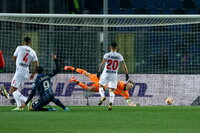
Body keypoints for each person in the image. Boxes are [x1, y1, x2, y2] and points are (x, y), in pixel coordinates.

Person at [65, 66, 137, 106]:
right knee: (87, 74)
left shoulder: (126, 93)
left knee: (89, 89)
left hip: (102, 87)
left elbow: (128, 100)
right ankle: (71, 68)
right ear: (127, 83)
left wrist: (131, 104)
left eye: (131, 87)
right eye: (130, 86)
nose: (130, 87)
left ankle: (75, 80)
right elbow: (115, 81)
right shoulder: (121, 83)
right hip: (103, 81)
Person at [97, 42, 129, 110]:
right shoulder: (119, 56)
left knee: (100, 86)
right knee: (111, 90)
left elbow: (101, 64)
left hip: (106, 73)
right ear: (117, 48)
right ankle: (110, 103)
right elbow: (124, 66)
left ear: (110, 47)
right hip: (113, 74)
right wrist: (126, 74)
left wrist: (98, 72)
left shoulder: (107, 55)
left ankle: (102, 96)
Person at [10, 37, 39, 111]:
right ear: (30, 43)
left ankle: (27, 101)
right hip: (26, 72)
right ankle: (19, 107)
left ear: (23, 42)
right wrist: (33, 74)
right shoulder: (33, 52)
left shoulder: (19, 48)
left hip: (19, 71)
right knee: (15, 90)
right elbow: (37, 65)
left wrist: (18, 60)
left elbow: (13, 59)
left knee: (12, 91)